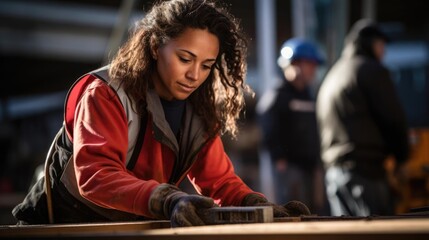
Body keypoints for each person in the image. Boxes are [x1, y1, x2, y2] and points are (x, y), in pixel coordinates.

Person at [12, 0, 310, 227]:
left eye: (206, 65)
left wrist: (259, 205)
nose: (195, 75)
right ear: (155, 46)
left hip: (124, 226)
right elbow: (96, 175)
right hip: (58, 225)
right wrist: (165, 199)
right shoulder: (105, 93)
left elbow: (218, 182)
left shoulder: (199, 111)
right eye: (185, 58)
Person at [315, 19, 410, 216]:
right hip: (365, 174)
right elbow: (393, 118)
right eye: (381, 45)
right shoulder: (370, 71)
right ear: (370, 44)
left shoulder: (334, 74)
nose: (383, 51)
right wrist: (402, 158)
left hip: (336, 174)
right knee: (376, 234)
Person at [256, 38, 327, 214]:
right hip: (290, 169)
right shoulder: (277, 95)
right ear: (293, 64)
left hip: (310, 167)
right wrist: (279, 157)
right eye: (310, 64)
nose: (313, 70)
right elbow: (267, 129)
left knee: (313, 212)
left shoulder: (308, 95)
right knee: (295, 213)